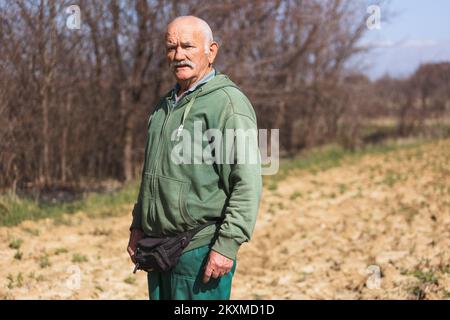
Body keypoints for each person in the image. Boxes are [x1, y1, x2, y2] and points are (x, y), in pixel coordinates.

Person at [127, 15, 262, 300]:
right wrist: (138, 225)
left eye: (188, 46)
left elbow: (247, 182)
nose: (178, 56)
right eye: (171, 48)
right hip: (156, 248)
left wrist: (227, 245)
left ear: (211, 51)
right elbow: (150, 172)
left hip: (199, 250)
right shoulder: (163, 106)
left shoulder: (228, 104)